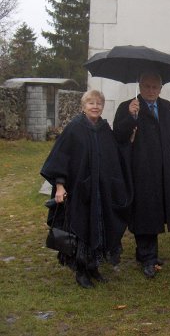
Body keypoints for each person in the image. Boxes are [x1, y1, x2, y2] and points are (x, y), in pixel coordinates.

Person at [41, 90, 129, 289]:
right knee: (81, 228)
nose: (95, 106)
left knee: (98, 227)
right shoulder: (74, 129)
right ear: (83, 106)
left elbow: (115, 156)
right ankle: (81, 271)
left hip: (101, 191)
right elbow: (60, 158)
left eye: (99, 103)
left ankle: (93, 267)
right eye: (91, 103)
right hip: (80, 191)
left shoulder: (105, 130)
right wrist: (60, 187)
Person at [113, 72, 170, 278]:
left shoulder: (168, 108)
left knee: (158, 212)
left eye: (155, 87)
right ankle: (148, 257)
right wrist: (130, 117)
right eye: (147, 86)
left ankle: (144, 253)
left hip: (164, 172)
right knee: (145, 213)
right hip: (140, 171)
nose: (151, 91)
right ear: (140, 86)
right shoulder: (128, 107)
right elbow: (118, 135)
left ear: (161, 88)